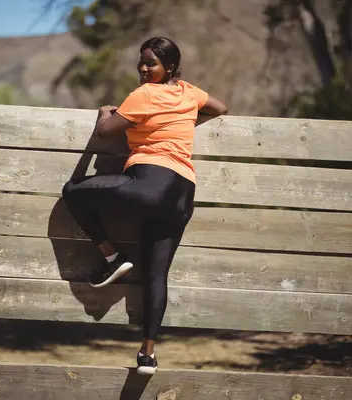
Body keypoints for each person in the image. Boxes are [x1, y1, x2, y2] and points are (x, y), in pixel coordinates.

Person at [62, 36, 228, 375]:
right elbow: (221, 108)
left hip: (150, 183)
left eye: (150, 63)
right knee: (156, 274)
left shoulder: (144, 95)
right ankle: (148, 354)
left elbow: (107, 131)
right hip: (182, 194)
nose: (143, 68)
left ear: (168, 67)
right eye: (141, 61)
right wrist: (183, 122)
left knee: (73, 191)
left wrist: (104, 112)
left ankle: (112, 257)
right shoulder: (188, 92)